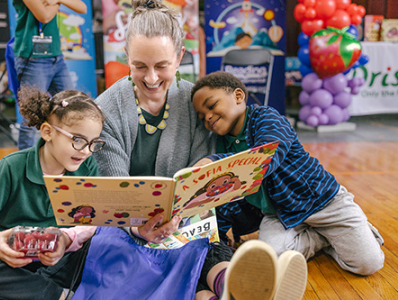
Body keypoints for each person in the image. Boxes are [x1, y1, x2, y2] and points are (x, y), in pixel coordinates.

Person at [89, 1, 307, 299]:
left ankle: (230, 286)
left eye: (162, 66)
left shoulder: (196, 105)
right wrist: (140, 228)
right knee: (120, 253)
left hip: (185, 219)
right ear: (126, 56)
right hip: (129, 227)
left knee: (201, 243)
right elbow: (116, 193)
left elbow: (203, 180)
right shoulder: (105, 110)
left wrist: (179, 217)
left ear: (179, 57)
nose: (151, 78)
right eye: (140, 66)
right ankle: (215, 292)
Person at [191, 71, 385, 276]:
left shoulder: (267, 118)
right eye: (202, 117)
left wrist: (214, 164)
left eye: (211, 106)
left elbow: (264, 158)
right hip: (280, 213)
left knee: (368, 263)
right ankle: (322, 238)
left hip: (323, 201)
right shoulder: (220, 142)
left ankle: (349, 231)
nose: (208, 117)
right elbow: (227, 196)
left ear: (238, 96)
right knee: (270, 260)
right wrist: (219, 233)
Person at [0, 87, 105, 300]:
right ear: (48, 132)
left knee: (104, 241)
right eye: (77, 140)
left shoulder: (87, 169)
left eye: (93, 143)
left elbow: (92, 222)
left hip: (56, 263)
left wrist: (66, 240)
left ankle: (22, 292)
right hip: (9, 261)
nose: (86, 151)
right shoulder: (12, 166)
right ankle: (54, 295)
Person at [13, 0, 86, 150]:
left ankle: (70, 152)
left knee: (73, 105)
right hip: (33, 58)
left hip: (56, 57)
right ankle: (24, 166)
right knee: (32, 115)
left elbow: (82, 7)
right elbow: (44, 16)